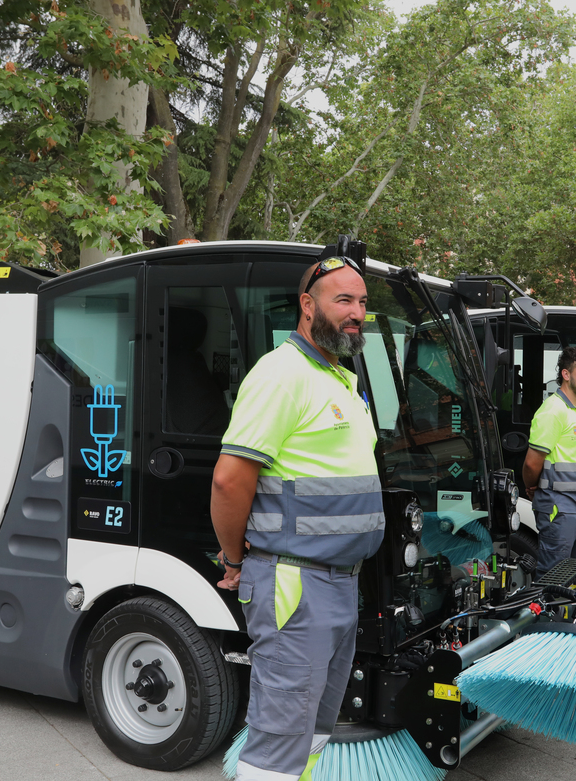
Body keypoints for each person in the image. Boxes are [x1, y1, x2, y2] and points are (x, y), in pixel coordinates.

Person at [210, 256, 384, 781]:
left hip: (337, 585)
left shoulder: (339, 378)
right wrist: (237, 558)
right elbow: (229, 479)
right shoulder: (283, 373)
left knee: (313, 735)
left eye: (362, 303)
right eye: (343, 300)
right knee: (278, 744)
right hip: (295, 585)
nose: (356, 313)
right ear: (308, 306)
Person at [523, 346, 576, 578]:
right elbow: (531, 464)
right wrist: (532, 487)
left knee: (574, 576)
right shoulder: (553, 411)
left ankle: (565, 616)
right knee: (552, 576)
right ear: (566, 374)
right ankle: (545, 615)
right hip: (560, 509)